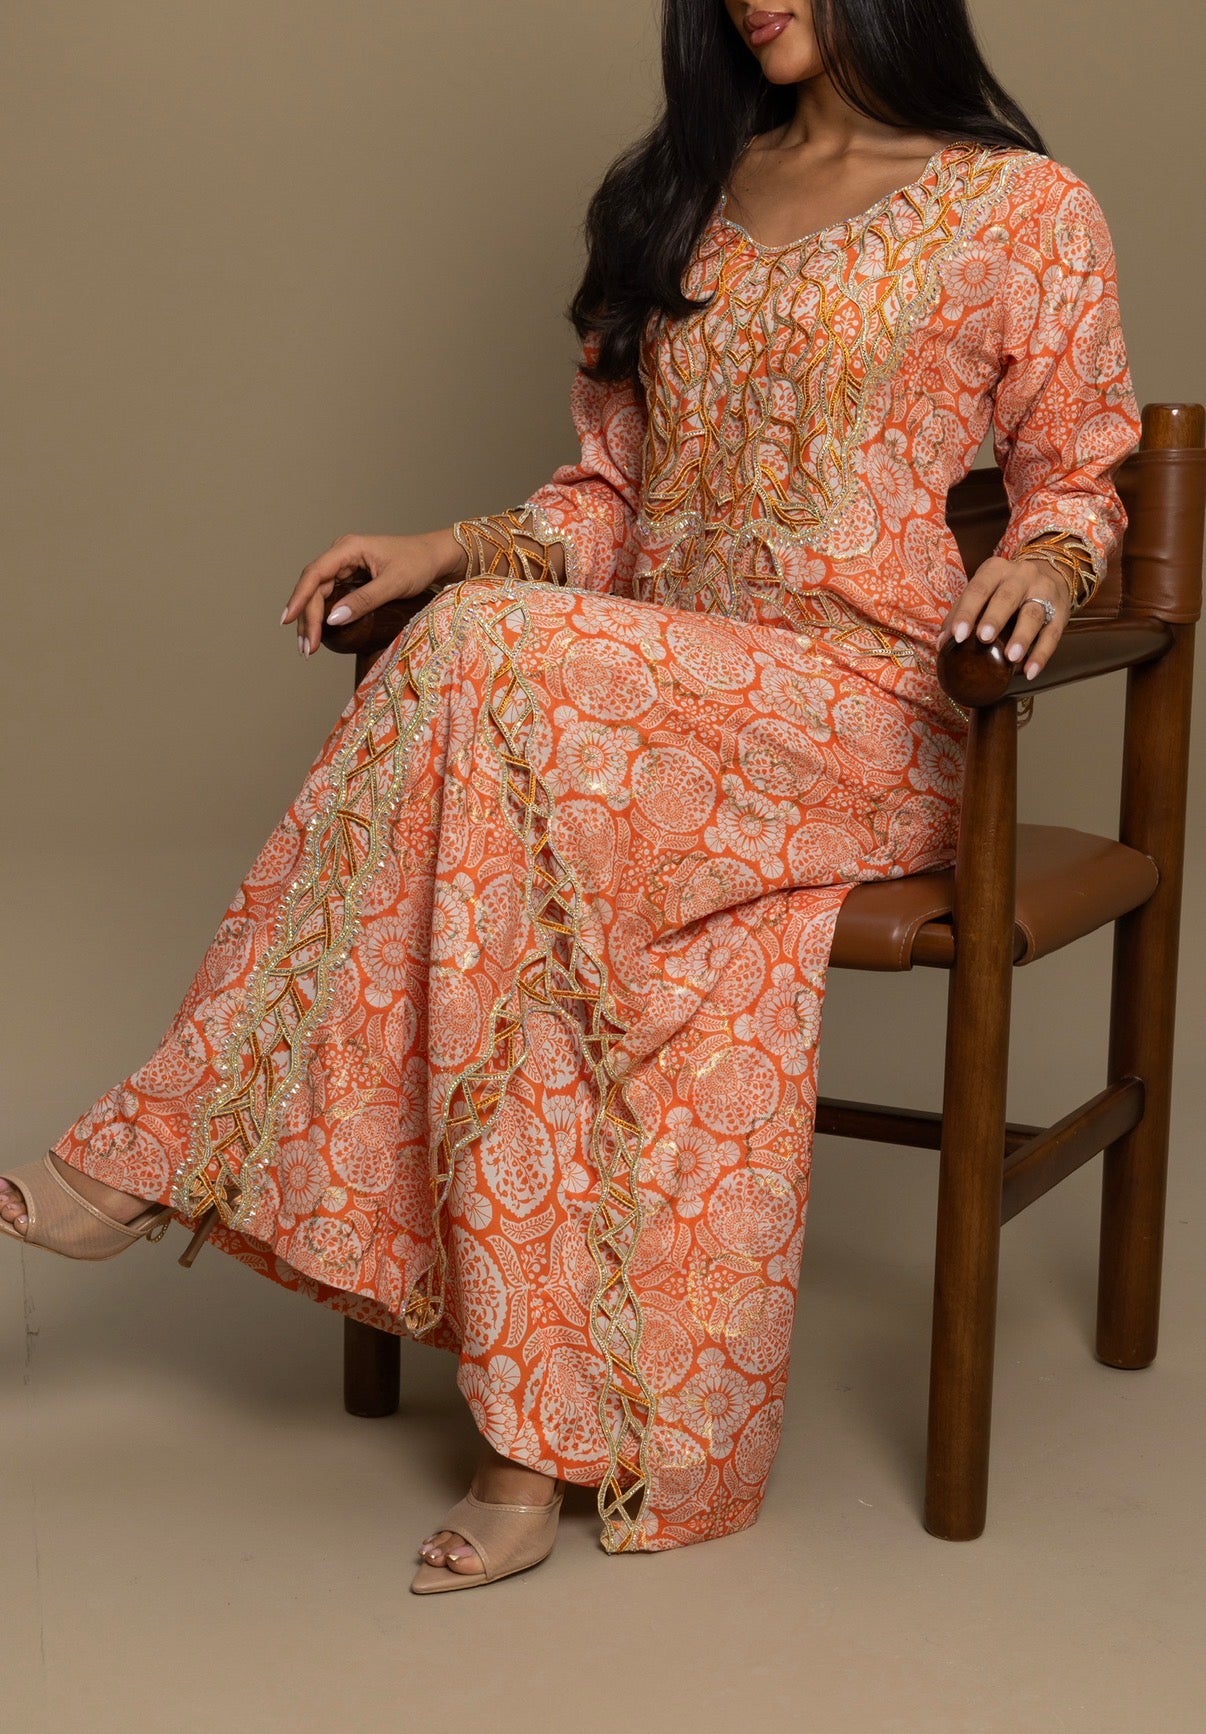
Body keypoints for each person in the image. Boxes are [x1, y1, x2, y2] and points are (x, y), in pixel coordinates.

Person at [2, 0, 1140, 1594]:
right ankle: (526, 1451)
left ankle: (163, 1143)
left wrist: (1043, 562)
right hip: (625, 726)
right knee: (509, 891)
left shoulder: (1019, 205)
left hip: (860, 721)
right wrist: (449, 547)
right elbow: (609, 504)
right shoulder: (676, 192)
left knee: (483, 666)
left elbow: (1077, 471)